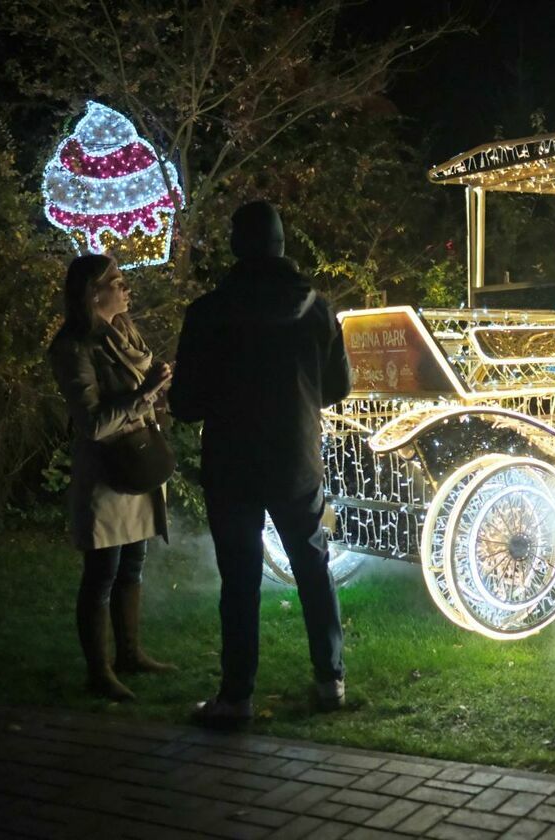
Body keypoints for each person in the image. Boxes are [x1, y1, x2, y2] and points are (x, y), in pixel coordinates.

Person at [168, 201, 351, 723]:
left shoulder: (208, 311)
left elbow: (184, 404)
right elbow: (338, 387)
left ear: (236, 247)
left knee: (241, 578)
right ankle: (330, 679)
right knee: (312, 566)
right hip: (295, 456)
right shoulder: (317, 307)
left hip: (232, 461)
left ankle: (237, 696)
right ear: (281, 245)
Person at [48, 254, 176, 701]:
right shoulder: (73, 347)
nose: (126, 289)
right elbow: (93, 423)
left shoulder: (125, 333)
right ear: (92, 292)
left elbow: (139, 387)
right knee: (102, 570)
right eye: (116, 282)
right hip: (107, 470)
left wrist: (159, 389)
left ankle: (130, 654)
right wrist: (145, 394)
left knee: (133, 564)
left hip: (137, 461)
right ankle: (98, 671)